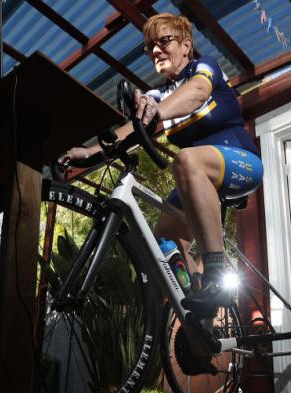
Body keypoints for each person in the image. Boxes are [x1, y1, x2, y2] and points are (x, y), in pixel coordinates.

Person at [57, 13, 263, 374]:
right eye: (149, 45)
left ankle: (214, 273)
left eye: (164, 40)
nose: (155, 49)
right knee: (162, 242)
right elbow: (132, 130)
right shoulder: (157, 94)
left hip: (239, 162)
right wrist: (89, 153)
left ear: (185, 45)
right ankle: (200, 319)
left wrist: (158, 112)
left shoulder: (204, 68)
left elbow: (196, 93)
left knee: (185, 160)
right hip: (195, 179)